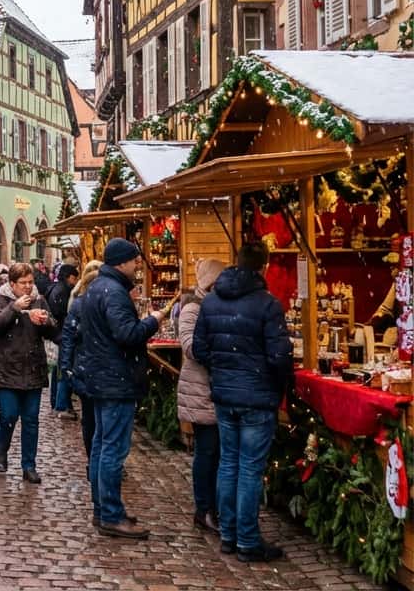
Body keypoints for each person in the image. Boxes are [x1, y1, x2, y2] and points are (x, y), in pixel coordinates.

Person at [193, 243, 293, 563]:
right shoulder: (267, 305)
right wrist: (277, 386)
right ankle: (247, 540)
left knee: (229, 463)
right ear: (263, 267)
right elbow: (280, 356)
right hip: (256, 396)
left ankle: (228, 535)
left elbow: (199, 347)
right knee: (249, 468)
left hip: (225, 394)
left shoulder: (210, 302)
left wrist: (221, 372)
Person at [79, 238, 169, 538]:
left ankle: (103, 508)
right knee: (112, 450)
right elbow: (127, 335)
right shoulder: (114, 292)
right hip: (115, 380)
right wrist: (153, 321)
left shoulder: (96, 288)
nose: (136, 266)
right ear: (121, 262)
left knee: (102, 446)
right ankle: (111, 514)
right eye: (133, 261)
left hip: (102, 378)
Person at [0, 261, 59, 484]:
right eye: (23, 283)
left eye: (30, 282)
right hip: (7, 368)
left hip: (33, 368)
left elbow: (54, 330)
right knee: (8, 416)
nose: (28, 287)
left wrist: (45, 321)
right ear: (12, 284)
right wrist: (15, 308)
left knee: (31, 420)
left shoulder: (40, 299)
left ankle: (29, 465)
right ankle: (2, 450)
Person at [177, 258, 225, 535]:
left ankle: (214, 507)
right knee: (207, 453)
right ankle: (203, 508)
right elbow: (190, 347)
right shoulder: (193, 308)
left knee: (216, 452)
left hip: (213, 390)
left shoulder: (215, 306)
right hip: (199, 390)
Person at [60, 259, 103, 466]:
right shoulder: (80, 304)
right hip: (91, 368)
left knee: (92, 419)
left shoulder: (78, 303)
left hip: (86, 367)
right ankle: (96, 459)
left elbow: (68, 336)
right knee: (94, 418)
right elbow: (69, 336)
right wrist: (66, 366)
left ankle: (96, 459)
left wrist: (67, 366)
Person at [46, 263, 79, 416]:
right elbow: (62, 315)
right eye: (74, 278)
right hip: (62, 335)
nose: (75, 281)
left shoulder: (53, 288)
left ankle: (56, 401)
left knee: (58, 370)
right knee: (63, 370)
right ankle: (61, 405)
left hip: (57, 335)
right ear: (68, 277)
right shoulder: (63, 291)